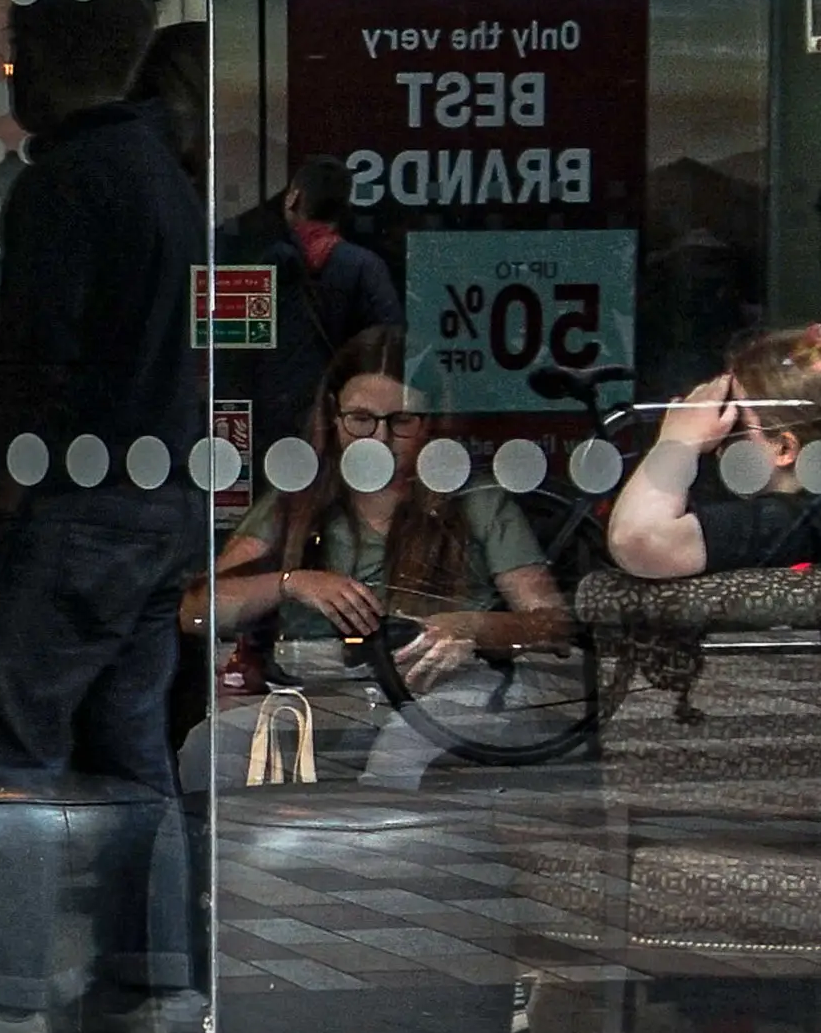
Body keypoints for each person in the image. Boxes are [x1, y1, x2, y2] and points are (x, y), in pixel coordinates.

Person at [0, 0, 211, 1033]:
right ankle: (152, 992)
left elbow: (36, 367)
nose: (4, 72)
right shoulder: (164, 180)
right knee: (133, 756)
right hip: (160, 503)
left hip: (77, 506)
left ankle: (1, 998)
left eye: (11, 51)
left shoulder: (66, 184)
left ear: (52, 58)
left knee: (12, 751)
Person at [196, 327, 572, 784]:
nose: (378, 438)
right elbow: (198, 609)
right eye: (361, 419)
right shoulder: (297, 503)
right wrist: (292, 582)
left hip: (440, 689)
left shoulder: (476, 501)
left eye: (401, 422)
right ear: (333, 419)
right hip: (327, 692)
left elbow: (552, 624)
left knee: (399, 756)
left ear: (430, 424)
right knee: (211, 746)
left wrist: (472, 628)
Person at [218, 152, 404, 453]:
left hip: (270, 423)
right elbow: (391, 345)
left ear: (293, 198)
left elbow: (232, 360)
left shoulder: (259, 263)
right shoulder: (365, 267)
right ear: (344, 208)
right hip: (337, 420)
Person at [609, 322, 821, 578]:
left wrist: (678, 439)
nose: (718, 441)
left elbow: (637, 539)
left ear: (784, 447)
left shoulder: (793, 521)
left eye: (735, 424)